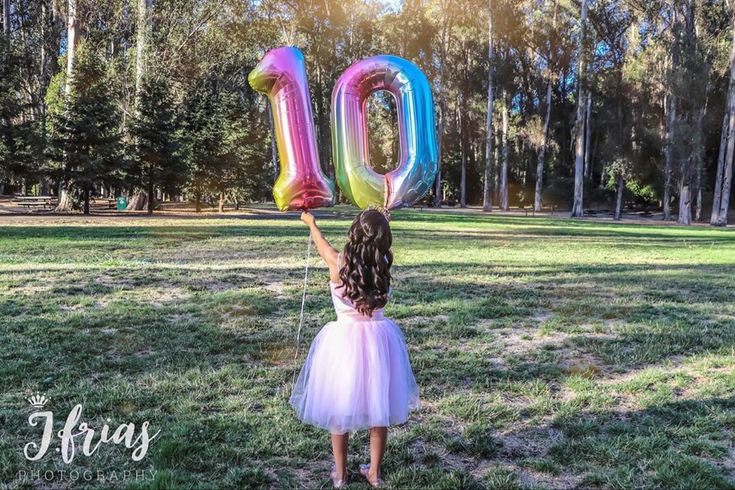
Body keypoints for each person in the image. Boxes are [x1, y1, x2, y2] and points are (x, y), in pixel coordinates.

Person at [290, 208, 420, 488]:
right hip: (378, 342)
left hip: (343, 345)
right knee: (379, 409)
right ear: (383, 240)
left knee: (339, 408)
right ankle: (374, 472)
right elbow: (378, 245)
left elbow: (319, 240)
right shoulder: (383, 263)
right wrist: (383, 224)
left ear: (353, 234)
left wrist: (310, 221)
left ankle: (340, 474)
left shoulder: (337, 263)